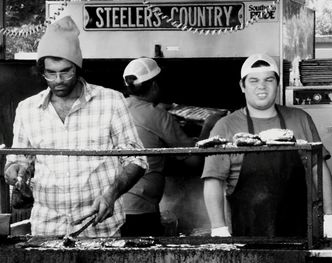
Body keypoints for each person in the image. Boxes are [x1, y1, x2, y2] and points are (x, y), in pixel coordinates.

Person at [4, 16, 148, 237]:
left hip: (101, 229)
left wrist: (112, 194)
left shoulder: (111, 101)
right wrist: (15, 171)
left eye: (66, 71)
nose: (58, 79)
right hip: (47, 230)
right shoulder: (27, 109)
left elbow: (136, 159)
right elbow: (19, 159)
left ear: (78, 68)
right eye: (50, 73)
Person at [202, 53, 332, 238]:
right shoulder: (225, 126)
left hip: (300, 234)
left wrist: (331, 219)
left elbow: (319, 170)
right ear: (242, 86)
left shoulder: (300, 119)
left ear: (277, 84)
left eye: (269, 79)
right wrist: (218, 228)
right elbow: (213, 181)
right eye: (253, 80)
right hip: (247, 236)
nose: (261, 86)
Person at [121, 57, 222, 236]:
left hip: (114, 207)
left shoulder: (119, 107)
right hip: (140, 209)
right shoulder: (158, 116)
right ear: (154, 85)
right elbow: (195, 161)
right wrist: (209, 125)